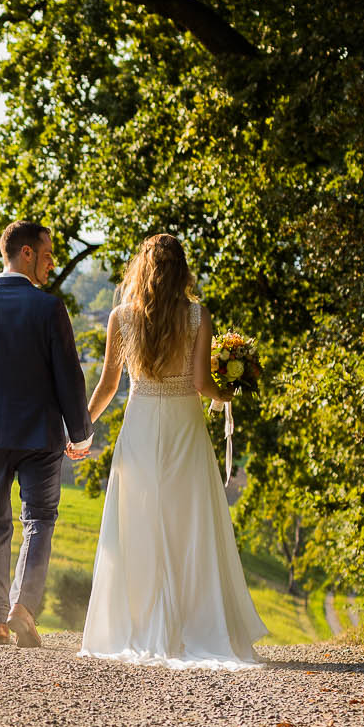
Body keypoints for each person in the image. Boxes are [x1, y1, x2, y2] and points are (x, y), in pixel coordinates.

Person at [77, 233, 266, 668]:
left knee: (139, 525)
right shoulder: (198, 316)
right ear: (182, 270)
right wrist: (228, 392)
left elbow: (107, 385)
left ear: (140, 270)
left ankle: (141, 623)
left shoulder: (122, 317)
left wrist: (82, 429)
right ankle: (193, 623)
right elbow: (201, 385)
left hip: (142, 425)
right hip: (183, 424)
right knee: (189, 524)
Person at [0, 220, 92, 647]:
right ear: (26, 253)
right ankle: (22, 608)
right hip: (40, 434)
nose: (52, 263)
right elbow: (69, 376)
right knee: (39, 520)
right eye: (47, 254)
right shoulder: (49, 309)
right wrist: (81, 434)